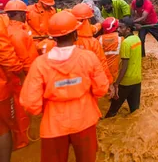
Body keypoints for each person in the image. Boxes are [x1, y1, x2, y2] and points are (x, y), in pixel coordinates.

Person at [20, 11, 109, 162]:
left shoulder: (40, 64)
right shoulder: (88, 58)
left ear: (53, 37)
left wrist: (49, 107)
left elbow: (30, 103)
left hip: (53, 124)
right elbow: (101, 88)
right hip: (84, 119)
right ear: (75, 34)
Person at [5, 0, 38, 150]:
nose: (26, 16)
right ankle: (21, 140)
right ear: (18, 14)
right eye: (24, 14)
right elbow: (24, 59)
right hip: (19, 79)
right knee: (20, 110)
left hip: (17, 77)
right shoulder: (17, 34)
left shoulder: (12, 30)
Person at [0, 0, 24, 162]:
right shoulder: (4, 26)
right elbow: (6, 55)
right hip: (3, 85)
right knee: (3, 128)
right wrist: (21, 72)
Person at [105, 17, 142, 118]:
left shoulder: (125, 43)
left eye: (121, 27)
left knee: (112, 112)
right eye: (118, 27)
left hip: (126, 82)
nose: (118, 29)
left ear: (128, 29)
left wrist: (117, 84)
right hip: (137, 80)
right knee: (134, 111)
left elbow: (124, 66)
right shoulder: (137, 39)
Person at [71, 3, 114, 85]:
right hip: (88, 83)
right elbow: (102, 64)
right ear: (86, 19)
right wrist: (109, 82)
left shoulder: (65, 40)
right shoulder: (93, 42)